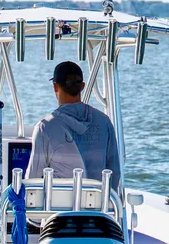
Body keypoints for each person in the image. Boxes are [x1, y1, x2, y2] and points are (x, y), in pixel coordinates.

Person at [25, 61, 121, 191]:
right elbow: (114, 172)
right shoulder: (104, 121)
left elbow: (32, 180)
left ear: (55, 87)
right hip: (99, 208)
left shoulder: (45, 127)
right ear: (82, 86)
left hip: (59, 210)